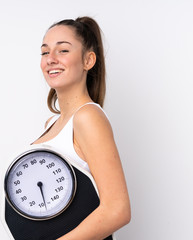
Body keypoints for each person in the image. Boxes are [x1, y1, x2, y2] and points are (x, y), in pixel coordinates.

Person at [32, 16, 131, 239]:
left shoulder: (87, 117)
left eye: (63, 51)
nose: (51, 59)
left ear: (88, 60)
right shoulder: (51, 124)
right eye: (45, 52)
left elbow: (118, 210)